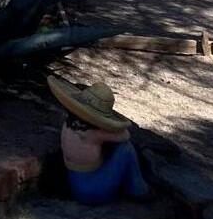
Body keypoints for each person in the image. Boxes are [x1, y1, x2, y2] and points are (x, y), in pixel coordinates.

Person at [49, 74, 150, 204]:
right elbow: (125, 136)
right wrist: (106, 126)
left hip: (72, 182)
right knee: (126, 149)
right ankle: (138, 190)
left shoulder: (67, 125)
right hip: (93, 191)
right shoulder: (94, 134)